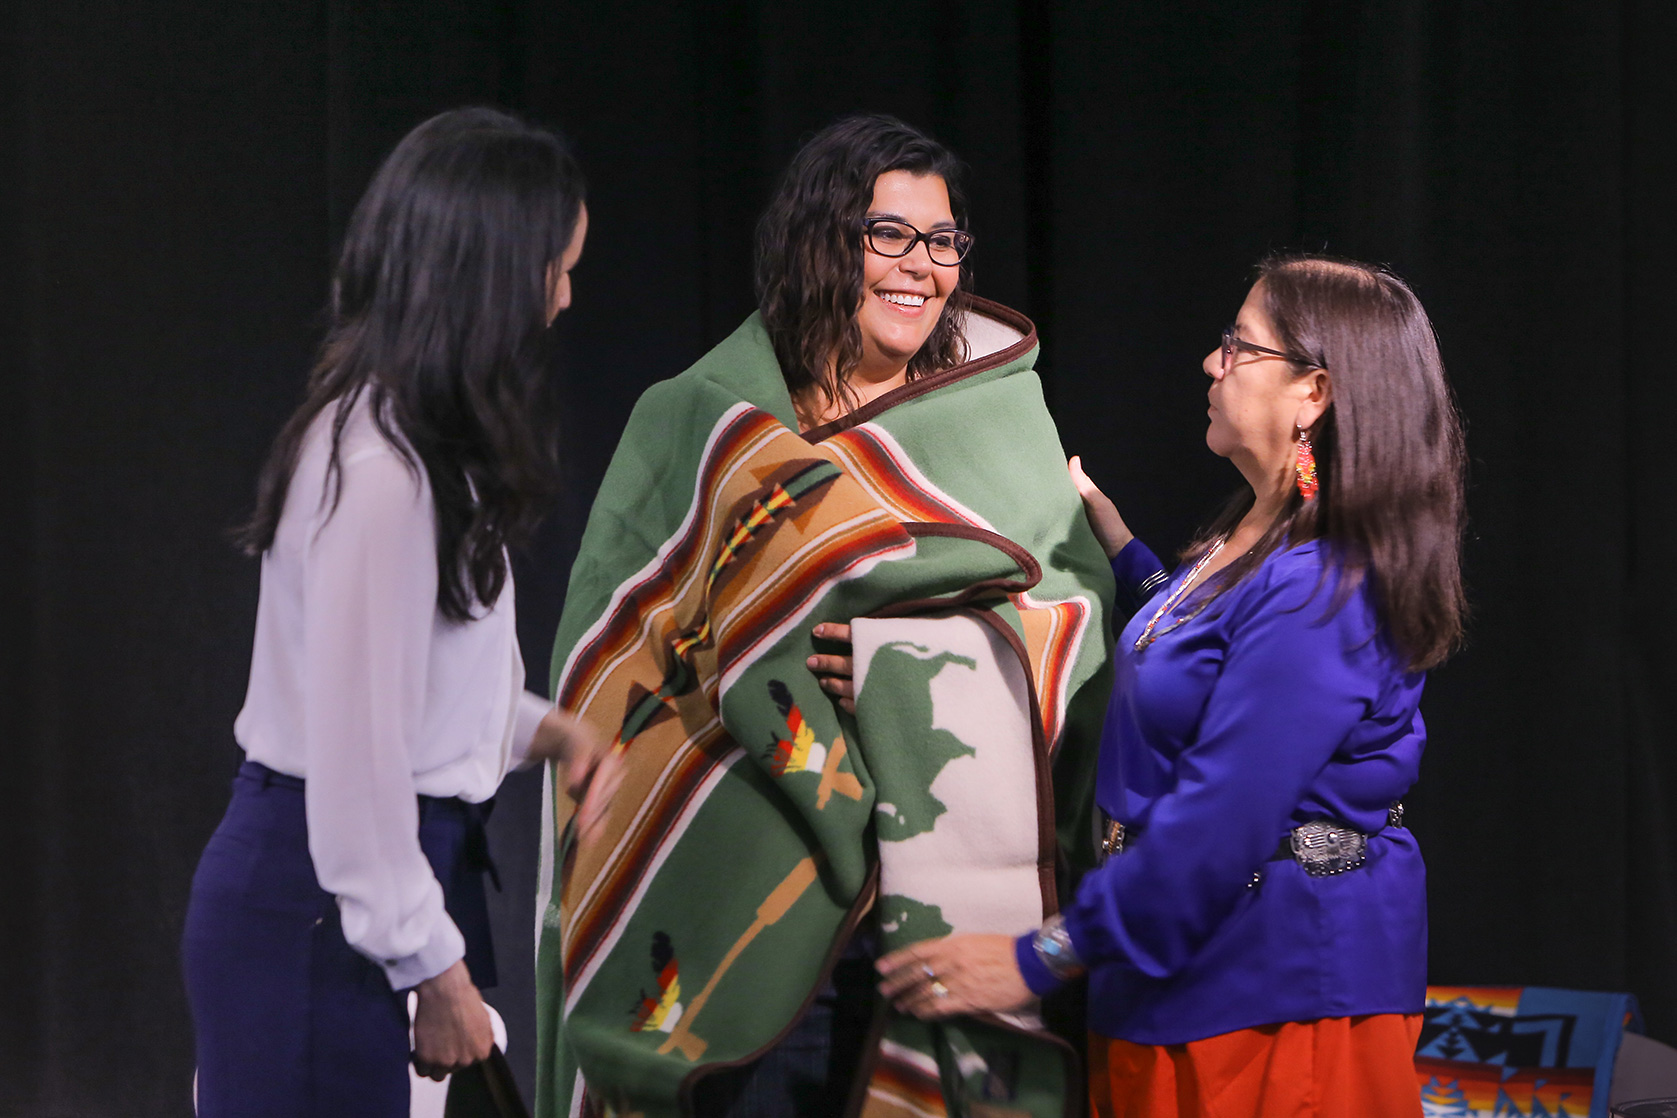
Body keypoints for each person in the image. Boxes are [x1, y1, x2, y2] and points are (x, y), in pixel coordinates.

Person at [536, 115, 1113, 1118]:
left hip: (926, 916)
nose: (920, 267)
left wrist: (915, 664)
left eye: (941, 242)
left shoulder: (1000, 419)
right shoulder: (702, 418)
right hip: (731, 889)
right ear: (820, 240)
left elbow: (1076, 620)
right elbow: (612, 654)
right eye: (887, 234)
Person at [874, 254, 1468, 1118]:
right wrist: (1120, 552)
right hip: (1188, 975)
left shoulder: (1323, 581)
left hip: (1275, 999)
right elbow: (1206, 652)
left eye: (1238, 346)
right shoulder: (1260, 531)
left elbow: (1224, 813)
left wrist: (1036, 957)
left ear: (1315, 392)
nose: (1210, 362)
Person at [182, 107, 617, 1117]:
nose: (562, 297)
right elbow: (354, 762)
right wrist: (436, 969)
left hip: (349, 905)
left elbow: (406, 693)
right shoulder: (383, 466)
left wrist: (543, 728)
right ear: (492, 277)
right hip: (315, 916)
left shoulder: (421, 450)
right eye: (554, 267)